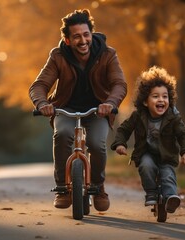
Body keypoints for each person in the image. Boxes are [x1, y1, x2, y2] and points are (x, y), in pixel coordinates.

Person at [29, 9, 127, 212]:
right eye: (76, 37)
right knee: (63, 134)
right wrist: (42, 104)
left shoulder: (108, 54)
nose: (83, 40)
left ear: (91, 34)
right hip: (65, 109)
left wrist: (110, 102)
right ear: (67, 40)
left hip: (97, 110)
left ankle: (98, 187)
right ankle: (62, 188)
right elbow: (39, 85)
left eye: (86, 35)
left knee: (96, 143)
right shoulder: (58, 56)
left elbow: (119, 83)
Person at [110, 66, 185, 213]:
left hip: (167, 155)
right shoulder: (138, 116)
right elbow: (124, 129)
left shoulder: (172, 117)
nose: (161, 100)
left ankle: (171, 198)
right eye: (155, 96)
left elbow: (184, 134)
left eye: (165, 96)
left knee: (168, 175)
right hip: (146, 153)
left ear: (169, 99)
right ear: (145, 101)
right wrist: (120, 144)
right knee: (146, 166)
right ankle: (151, 192)